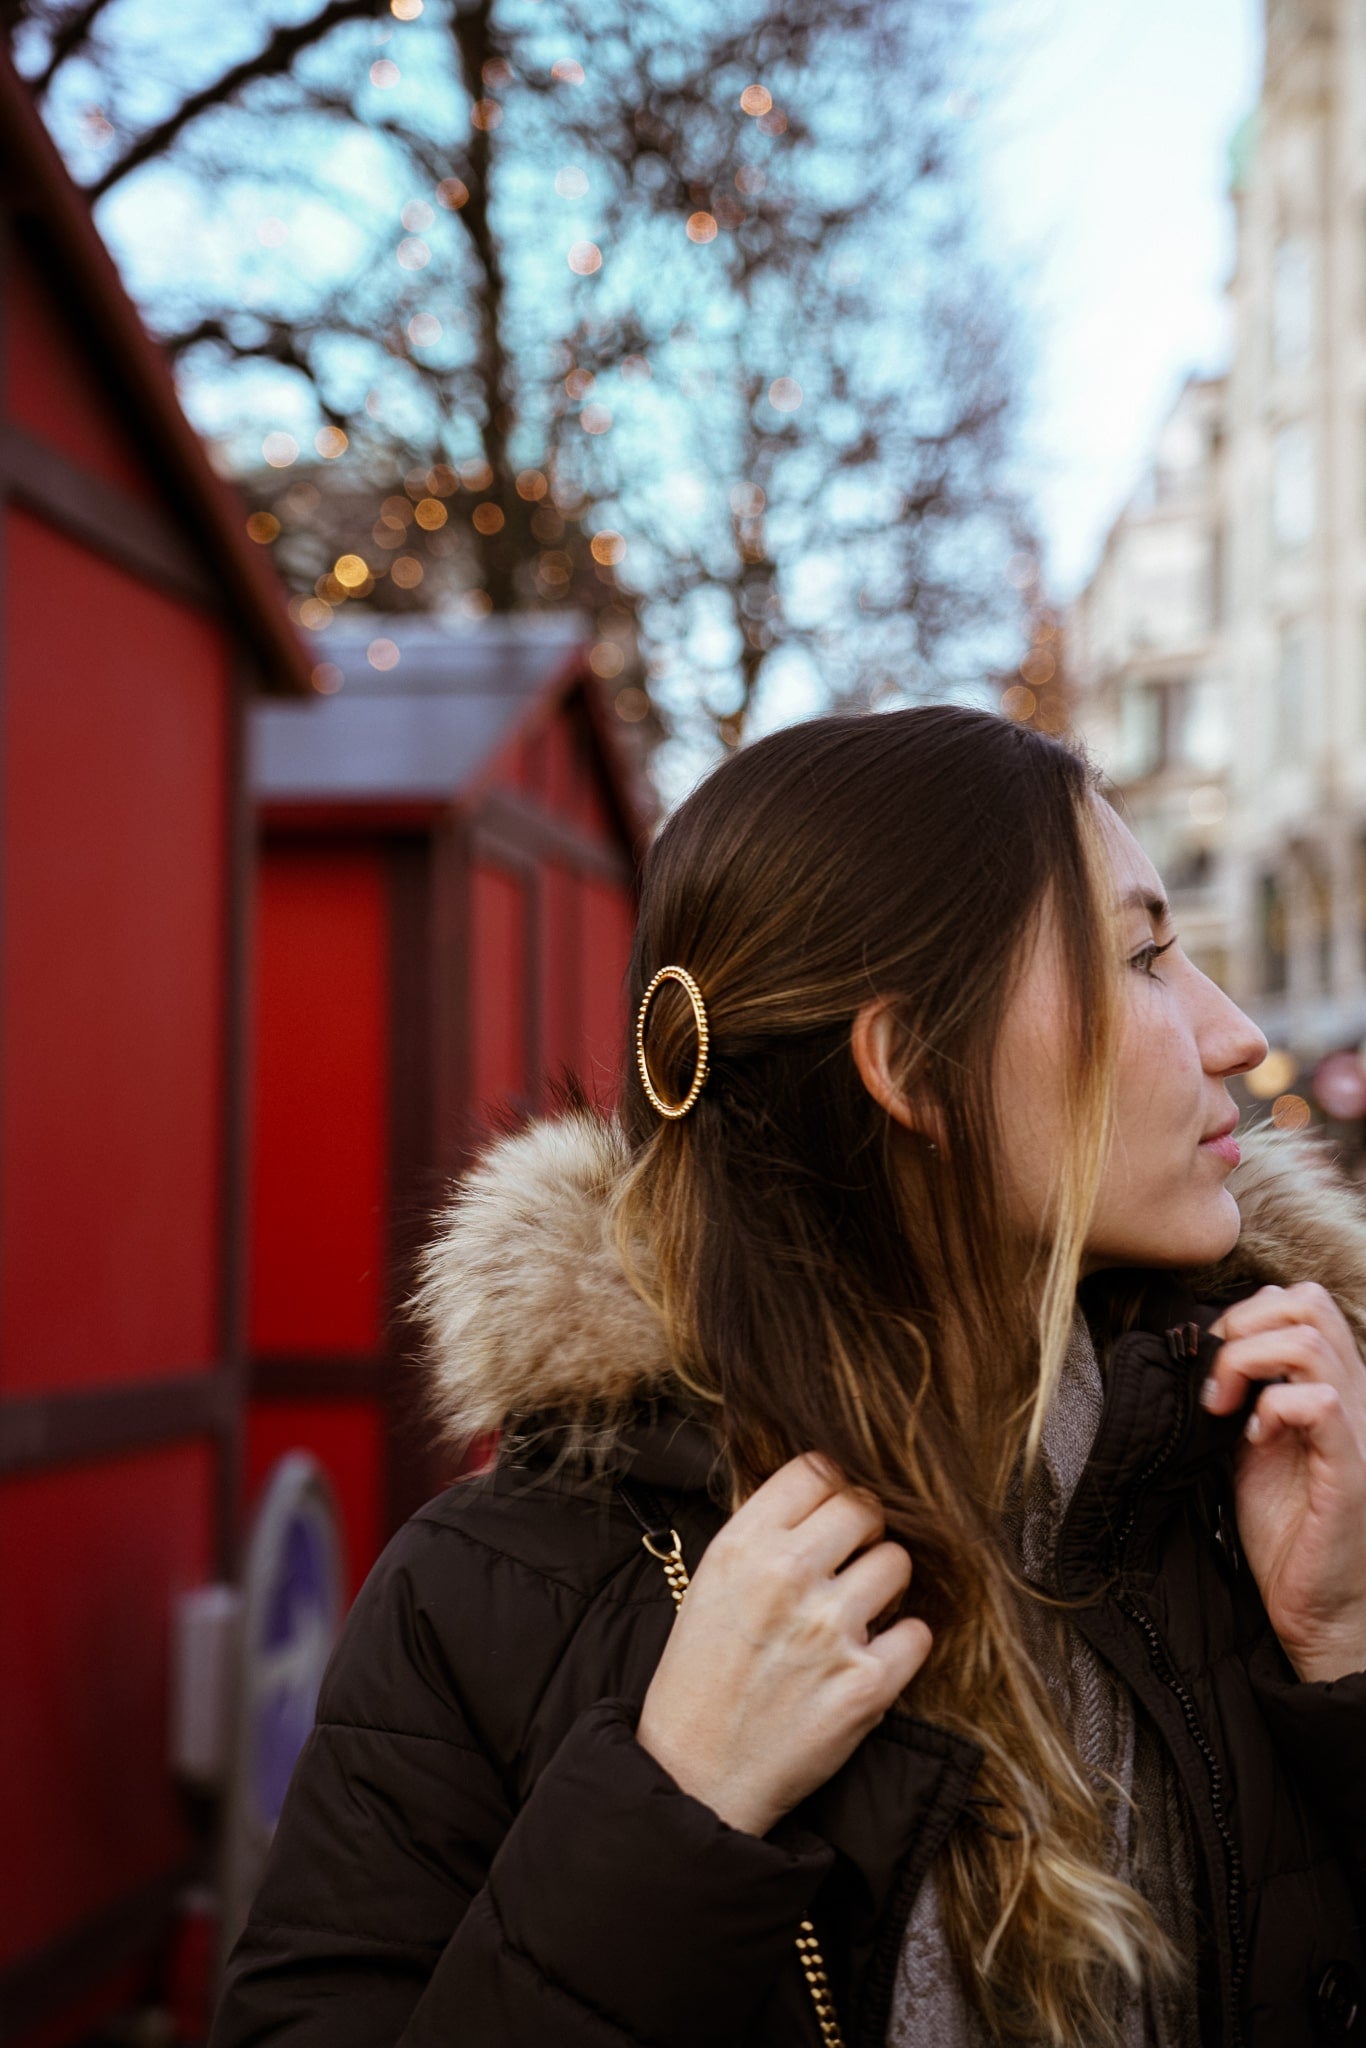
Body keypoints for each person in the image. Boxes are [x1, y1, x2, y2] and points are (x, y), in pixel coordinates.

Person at [210, 706, 1366, 2048]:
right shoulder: (489, 1590)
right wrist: (672, 1807)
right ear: (912, 1069)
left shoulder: (1281, 1470)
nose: (1232, 1035)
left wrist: (1340, 1657)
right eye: (1144, 958)